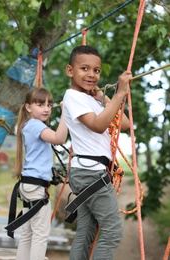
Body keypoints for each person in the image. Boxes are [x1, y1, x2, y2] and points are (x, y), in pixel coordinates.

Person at [63, 45, 132, 260]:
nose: (91, 74)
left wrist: (103, 96)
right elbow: (98, 125)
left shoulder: (91, 100)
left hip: (89, 171)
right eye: (84, 68)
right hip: (90, 172)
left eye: (97, 70)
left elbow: (125, 124)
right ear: (70, 71)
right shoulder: (72, 97)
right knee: (112, 232)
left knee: (86, 232)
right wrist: (120, 92)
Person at [14, 87, 67, 260]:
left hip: (29, 185)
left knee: (28, 233)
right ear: (28, 107)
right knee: (40, 234)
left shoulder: (28, 125)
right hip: (34, 185)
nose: (46, 109)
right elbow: (59, 138)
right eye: (40, 104)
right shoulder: (35, 125)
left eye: (49, 105)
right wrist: (66, 112)